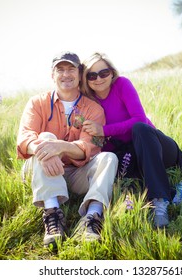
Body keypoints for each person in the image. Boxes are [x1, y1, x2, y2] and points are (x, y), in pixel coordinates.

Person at [81, 52, 182, 228]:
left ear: (111, 72)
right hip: (130, 155)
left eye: (103, 73)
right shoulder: (89, 103)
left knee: (139, 129)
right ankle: (180, 191)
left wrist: (104, 130)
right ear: (86, 79)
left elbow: (140, 119)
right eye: (92, 75)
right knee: (123, 176)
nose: (98, 79)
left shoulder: (122, 85)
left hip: (156, 146)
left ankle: (159, 202)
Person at [17, 51, 118, 247]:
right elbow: (25, 137)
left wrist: (61, 147)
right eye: (60, 70)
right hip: (40, 170)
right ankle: (53, 214)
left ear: (80, 74)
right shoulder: (37, 103)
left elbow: (91, 147)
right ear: (52, 75)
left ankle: (92, 218)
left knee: (109, 158)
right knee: (44, 138)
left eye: (71, 69)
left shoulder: (93, 109)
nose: (66, 74)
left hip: (76, 174)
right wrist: (47, 149)